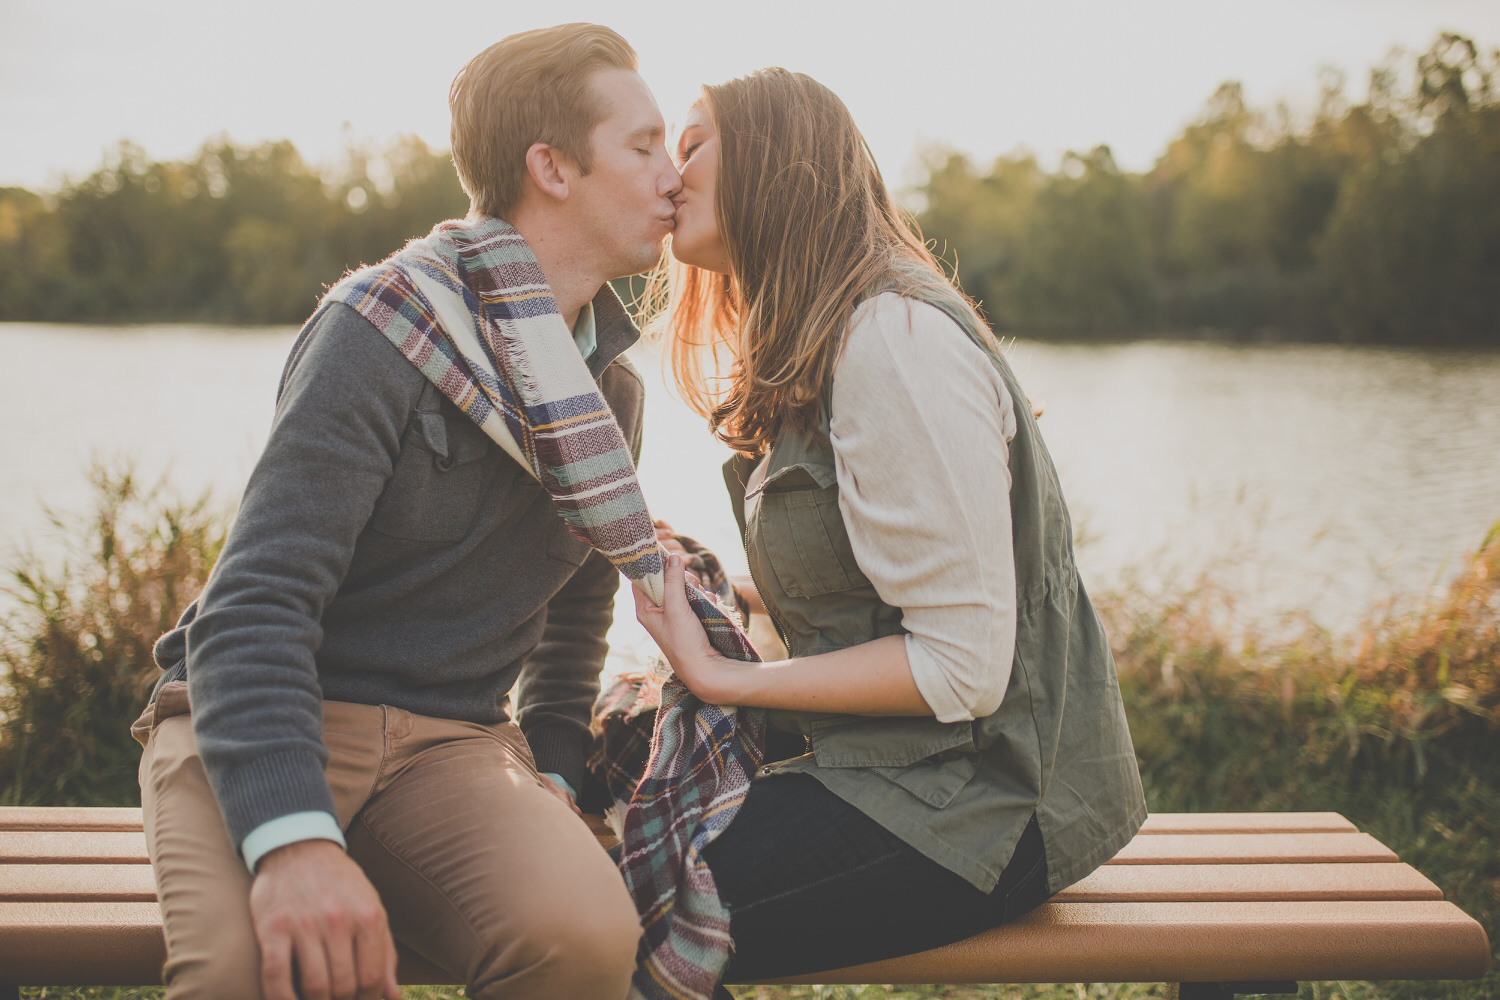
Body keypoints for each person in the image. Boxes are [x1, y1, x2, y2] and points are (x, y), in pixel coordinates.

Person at [134, 23, 679, 1000]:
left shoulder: (613, 397)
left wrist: (554, 766)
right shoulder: (377, 330)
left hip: (452, 745)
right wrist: (294, 844)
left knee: (586, 939)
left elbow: (574, 623)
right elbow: (253, 612)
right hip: (266, 719)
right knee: (237, 976)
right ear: (551, 167)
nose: (673, 173)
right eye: (644, 147)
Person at [631, 68, 1147, 985]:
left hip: (978, 809)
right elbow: (883, 585)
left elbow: (962, 665)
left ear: (773, 160)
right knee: (619, 801)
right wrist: (724, 588)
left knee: (612, 915)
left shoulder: (891, 341)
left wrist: (722, 676)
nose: (673, 177)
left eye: (694, 144)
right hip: (916, 772)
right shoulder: (838, 335)